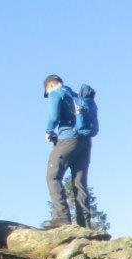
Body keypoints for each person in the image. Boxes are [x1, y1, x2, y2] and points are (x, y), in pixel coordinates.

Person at [43, 74, 94, 228]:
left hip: (67, 139)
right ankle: (84, 223)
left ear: (50, 86)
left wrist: (49, 131)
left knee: (52, 177)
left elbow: (54, 115)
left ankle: (62, 217)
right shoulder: (77, 96)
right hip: (85, 141)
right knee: (79, 182)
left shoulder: (56, 93)